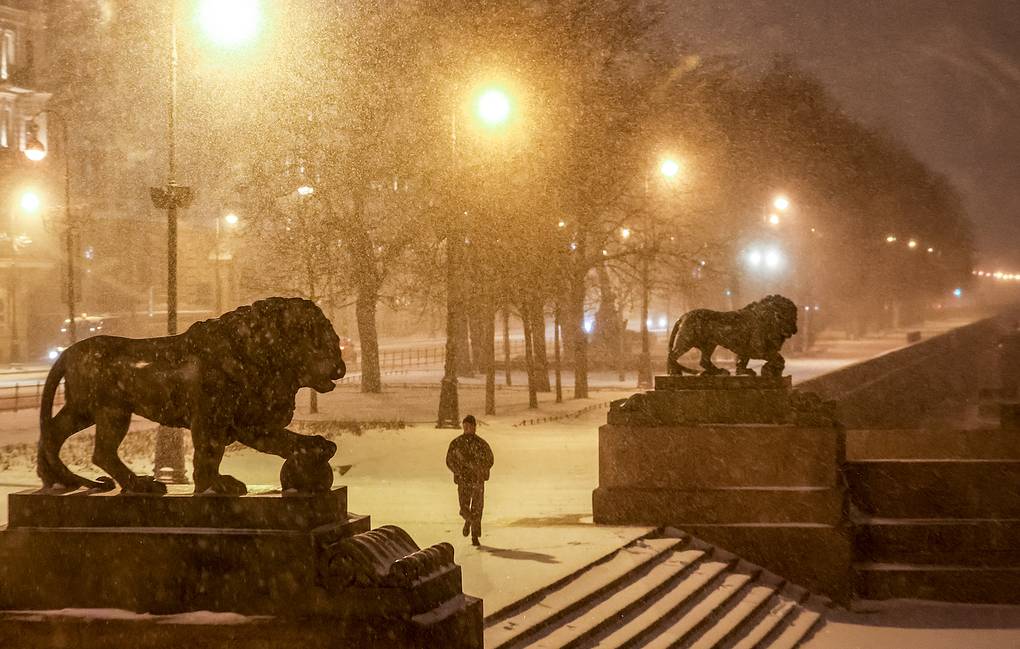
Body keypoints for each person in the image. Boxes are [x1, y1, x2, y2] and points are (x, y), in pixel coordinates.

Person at [445, 414, 493, 546]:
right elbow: (449, 460)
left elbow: (490, 459)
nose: (467, 429)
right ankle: (469, 520)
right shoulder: (456, 443)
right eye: (465, 426)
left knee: (477, 507)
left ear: (474, 427)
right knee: (464, 508)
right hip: (463, 479)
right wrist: (458, 471)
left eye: (469, 426)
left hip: (477, 479)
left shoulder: (481, 444)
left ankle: (475, 536)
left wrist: (481, 469)